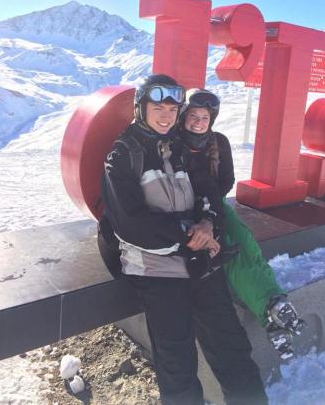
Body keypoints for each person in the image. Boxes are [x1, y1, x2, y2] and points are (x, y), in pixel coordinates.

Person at [102, 74, 268, 405]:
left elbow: (210, 193)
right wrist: (190, 236)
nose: (166, 115)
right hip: (158, 274)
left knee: (232, 350)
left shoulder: (180, 147)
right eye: (158, 107)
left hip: (202, 265)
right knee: (177, 367)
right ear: (141, 108)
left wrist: (209, 222)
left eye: (172, 108)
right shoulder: (122, 155)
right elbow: (131, 223)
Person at [178, 88, 305, 360]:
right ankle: (266, 310)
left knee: (244, 240)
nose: (198, 122)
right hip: (180, 209)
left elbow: (226, 180)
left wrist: (210, 209)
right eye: (193, 116)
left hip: (212, 205)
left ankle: (274, 304)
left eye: (204, 117)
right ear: (183, 115)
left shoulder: (218, 142)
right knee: (228, 248)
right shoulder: (173, 142)